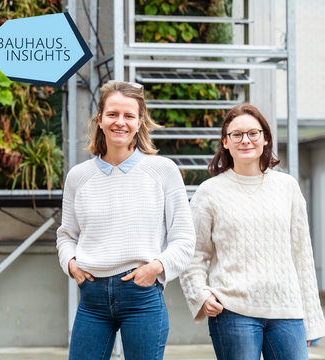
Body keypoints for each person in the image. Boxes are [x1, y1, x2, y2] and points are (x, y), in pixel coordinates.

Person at [56, 80, 196, 360]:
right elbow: (66, 235)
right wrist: (71, 264)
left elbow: (184, 238)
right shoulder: (78, 176)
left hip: (142, 296)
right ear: (99, 119)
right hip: (91, 298)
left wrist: (156, 267)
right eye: (112, 114)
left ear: (140, 121)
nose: (120, 122)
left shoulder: (163, 170)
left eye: (129, 116)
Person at [180, 104, 325, 360]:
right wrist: (199, 295)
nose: (245, 140)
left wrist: (312, 319)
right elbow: (193, 254)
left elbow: (302, 255)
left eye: (253, 133)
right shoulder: (209, 192)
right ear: (225, 142)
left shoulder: (287, 187)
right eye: (236, 134)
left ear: (265, 137)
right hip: (233, 311)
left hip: (287, 311)